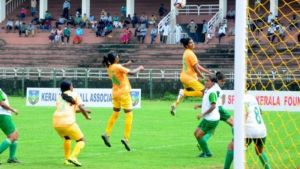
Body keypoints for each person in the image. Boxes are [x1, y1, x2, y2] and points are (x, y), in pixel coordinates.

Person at [101, 51, 144, 151]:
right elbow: (132, 73)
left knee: (116, 113)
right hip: (124, 93)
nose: (118, 57)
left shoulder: (109, 67)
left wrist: (126, 64)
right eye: (118, 56)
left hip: (115, 94)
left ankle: (107, 133)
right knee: (129, 115)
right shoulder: (117, 67)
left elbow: (117, 66)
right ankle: (126, 138)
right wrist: (140, 68)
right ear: (115, 59)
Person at [223, 93, 270, 169]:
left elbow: (245, 114)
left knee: (231, 146)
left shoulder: (241, 99)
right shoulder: (252, 97)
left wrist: (237, 130)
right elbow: (260, 112)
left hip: (249, 131)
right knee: (260, 151)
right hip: (261, 129)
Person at [170, 37, 214, 115]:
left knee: (187, 91)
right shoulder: (191, 54)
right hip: (189, 78)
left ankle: (175, 104)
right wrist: (204, 77)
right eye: (190, 43)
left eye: (193, 42)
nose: (193, 44)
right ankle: (184, 93)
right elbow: (196, 69)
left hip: (184, 77)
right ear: (187, 45)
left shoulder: (186, 52)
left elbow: (197, 66)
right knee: (204, 92)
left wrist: (208, 73)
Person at [53, 80, 91, 167]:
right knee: (81, 140)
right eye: (72, 86)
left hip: (56, 122)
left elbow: (67, 109)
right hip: (67, 122)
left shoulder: (60, 97)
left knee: (67, 137)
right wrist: (87, 116)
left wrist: (85, 111)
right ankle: (73, 157)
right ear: (70, 87)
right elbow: (81, 107)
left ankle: (67, 160)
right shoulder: (75, 95)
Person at [194, 75, 220, 158]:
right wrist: (199, 106)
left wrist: (202, 114)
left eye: (208, 81)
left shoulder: (212, 92)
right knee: (196, 134)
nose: (205, 82)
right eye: (205, 80)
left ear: (212, 83)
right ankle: (204, 152)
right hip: (207, 118)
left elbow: (213, 106)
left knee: (199, 135)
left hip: (212, 119)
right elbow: (207, 104)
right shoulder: (206, 91)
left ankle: (208, 153)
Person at [0, 88, 21, 164]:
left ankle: (11, 158)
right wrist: (12, 109)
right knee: (13, 136)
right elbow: (2, 103)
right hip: (3, 114)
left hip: (4, 114)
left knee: (15, 134)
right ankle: (11, 158)